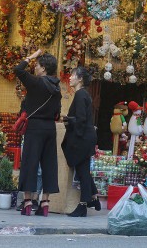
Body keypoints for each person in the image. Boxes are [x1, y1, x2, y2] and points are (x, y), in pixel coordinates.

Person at [13, 49, 61, 216]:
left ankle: (27, 202)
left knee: (30, 163)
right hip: (50, 128)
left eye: (37, 65)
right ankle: (45, 202)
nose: (35, 68)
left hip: (34, 127)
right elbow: (57, 113)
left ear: (44, 68)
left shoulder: (36, 83)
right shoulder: (57, 88)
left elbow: (18, 70)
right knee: (49, 164)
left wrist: (30, 57)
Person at [61, 67, 100, 217]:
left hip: (82, 138)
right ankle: (93, 197)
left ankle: (83, 205)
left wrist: (67, 120)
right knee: (83, 169)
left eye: (73, 75)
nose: (70, 78)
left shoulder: (80, 95)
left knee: (82, 171)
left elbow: (81, 119)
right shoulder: (84, 94)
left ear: (80, 79)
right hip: (86, 137)